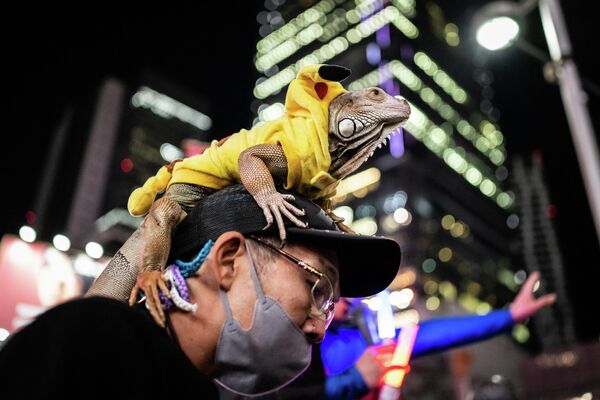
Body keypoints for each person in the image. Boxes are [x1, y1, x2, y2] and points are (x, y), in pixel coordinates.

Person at [0, 184, 401, 399]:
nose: (320, 326)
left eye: (330, 307)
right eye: (317, 287)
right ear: (227, 260)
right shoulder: (92, 340)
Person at [320, 271, 556, 400]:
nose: (351, 298)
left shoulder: (365, 338)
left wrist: (509, 316)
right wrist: (356, 380)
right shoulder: (308, 339)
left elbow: (434, 334)